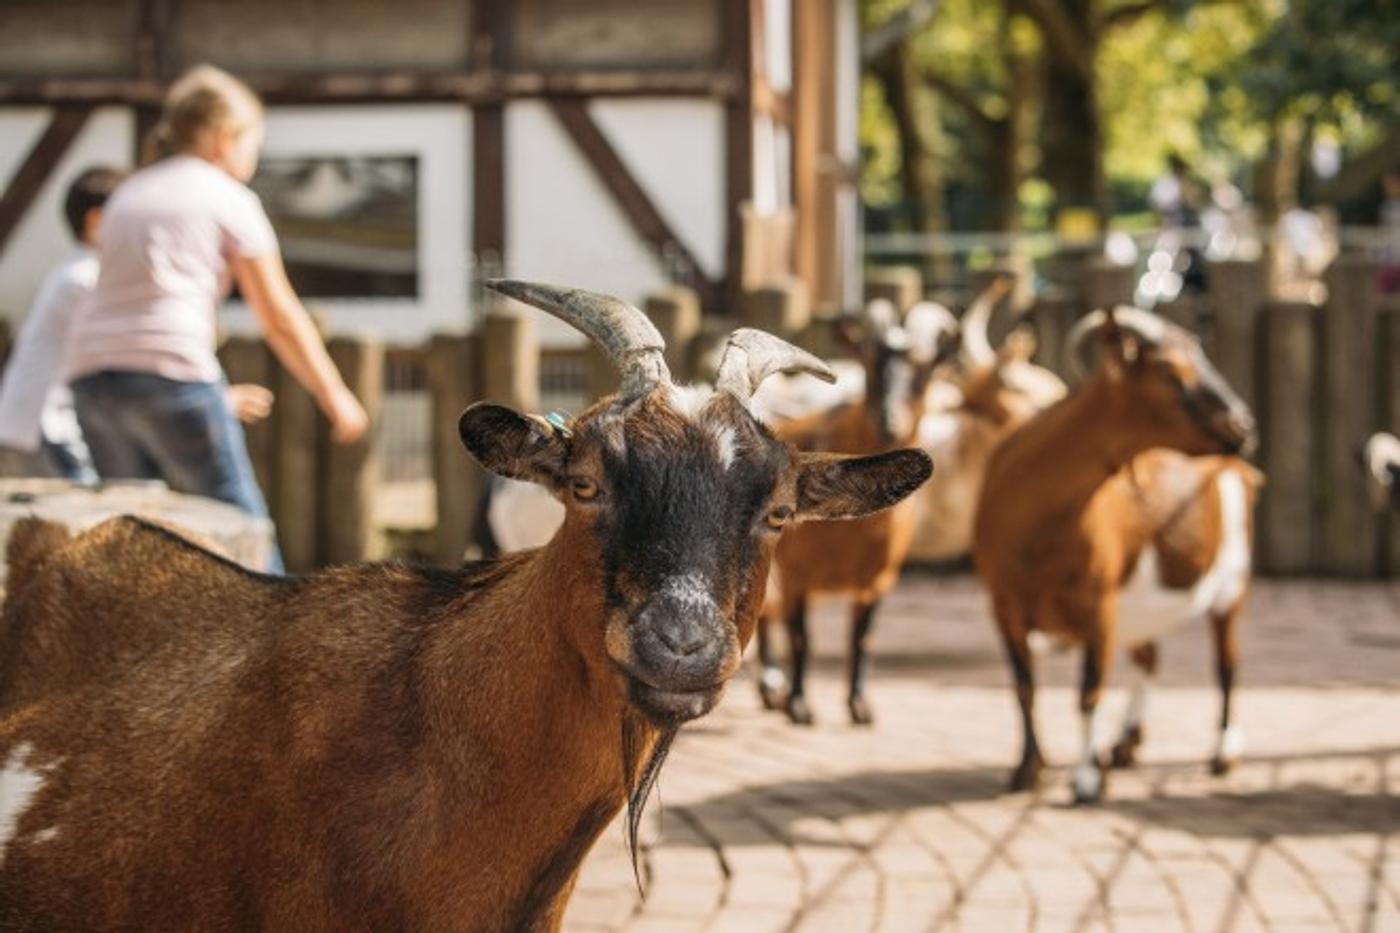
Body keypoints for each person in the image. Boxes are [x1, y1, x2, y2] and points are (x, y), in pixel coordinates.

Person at [67, 65, 367, 568]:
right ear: (226, 138)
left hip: (92, 377)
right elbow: (278, 313)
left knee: (132, 535)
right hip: (170, 369)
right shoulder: (227, 196)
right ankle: (274, 620)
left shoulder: (129, 194)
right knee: (241, 528)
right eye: (254, 144)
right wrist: (334, 395)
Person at [0, 168, 127, 481]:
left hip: (33, 422)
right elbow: (118, 353)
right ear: (96, 221)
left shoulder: (76, 272)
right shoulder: (84, 278)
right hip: (44, 425)